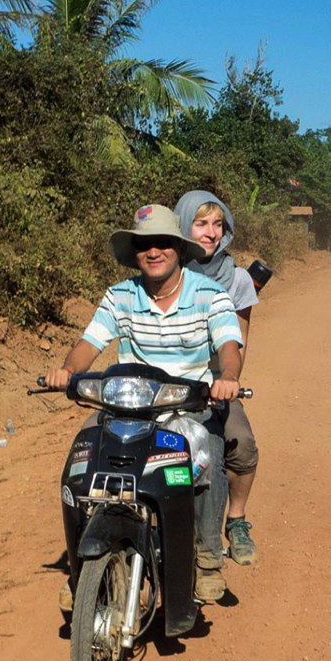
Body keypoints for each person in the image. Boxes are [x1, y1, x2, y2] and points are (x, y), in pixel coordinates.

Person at [48, 204, 244, 608]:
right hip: (127, 406)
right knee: (84, 459)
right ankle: (80, 570)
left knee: (204, 457)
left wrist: (226, 378)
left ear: (179, 249)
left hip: (188, 405)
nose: (153, 252)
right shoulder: (120, 294)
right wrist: (67, 370)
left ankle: (207, 561)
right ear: (134, 253)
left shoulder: (210, 294)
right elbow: (91, 342)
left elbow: (229, 344)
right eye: (143, 245)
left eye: (162, 244)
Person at [175, 191, 262, 566]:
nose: (210, 233)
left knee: (240, 445)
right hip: (162, 382)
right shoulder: (165, 267)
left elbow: (238, 343)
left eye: (217, 224)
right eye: (200, 223)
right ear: (182, 225)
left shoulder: (238, 279)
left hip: (211, 383)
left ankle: (236, 519)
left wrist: (226, 382)